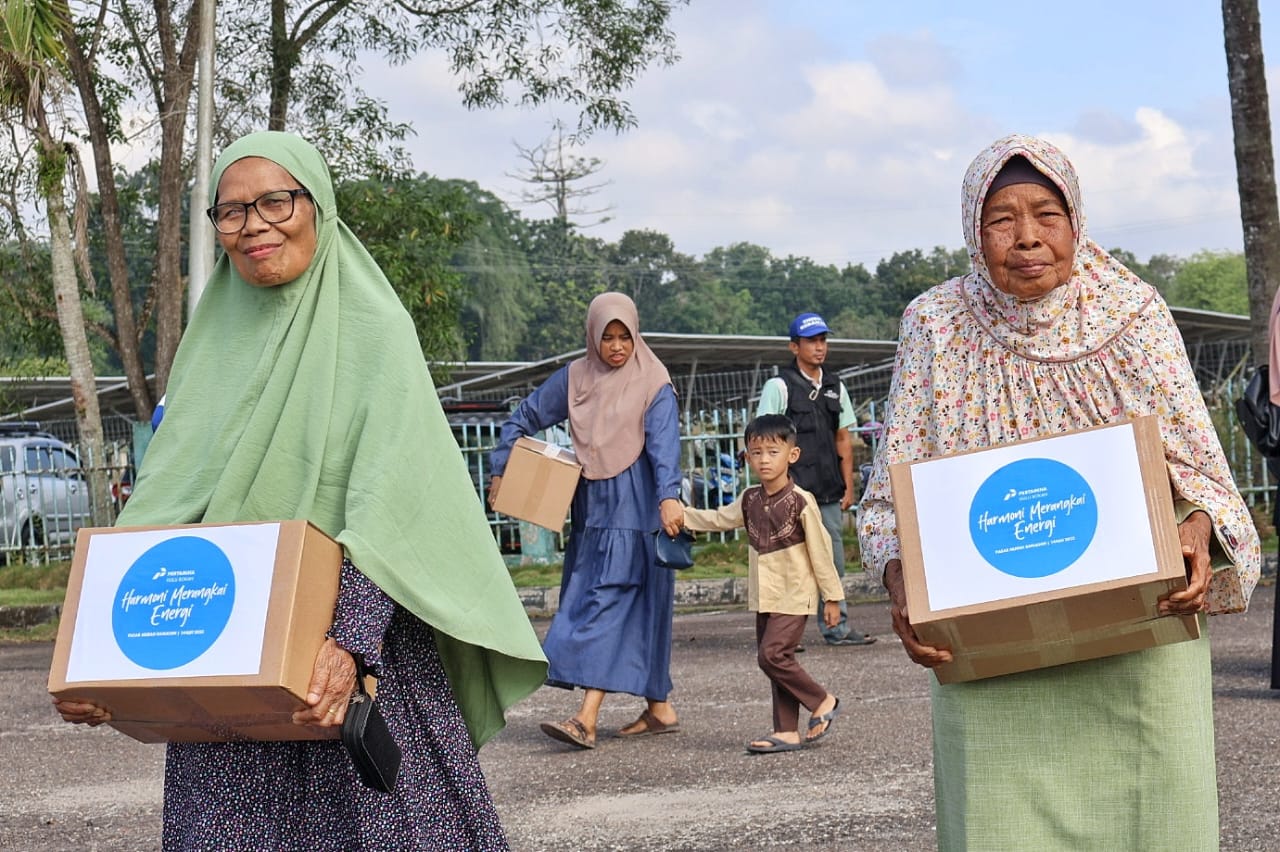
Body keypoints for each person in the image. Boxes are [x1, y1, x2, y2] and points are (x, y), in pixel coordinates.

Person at [53, 131, 547, 850]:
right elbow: (164, 511)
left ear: (318, 207)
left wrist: (349, 644)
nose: (254, 225)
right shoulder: (206, 349)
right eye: (231, 211)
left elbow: (391, 501)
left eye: (275, 202)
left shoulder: (373, 333)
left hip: (348, 657)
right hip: (228, 666)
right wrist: (101, 661)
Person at [858, 133, 1261, 850]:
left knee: (1156, 818)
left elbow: (1199, 467)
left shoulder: (1133, 313)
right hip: (991, 644)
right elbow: (895, 483)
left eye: (1046, 213)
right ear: (972, 234)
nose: (1026, 238)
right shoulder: (936, 325)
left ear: (1077, 221)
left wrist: (1197, 531)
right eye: (1001, 219)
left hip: (1136, 639)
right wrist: (899, 579)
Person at [488, 292, 684, 749]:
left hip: (637, 509)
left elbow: (663, 447)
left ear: (636, 336)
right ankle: (660, 708)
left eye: (625, 337)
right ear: (593, 338)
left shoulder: (653, 381)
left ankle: (586, 717)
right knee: (628, 604)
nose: (616, 347)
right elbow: (524, 417)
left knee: (607, 601)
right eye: (607, 338)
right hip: (591, 507)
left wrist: (670, 498)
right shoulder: (576, 377)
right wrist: (503, 466)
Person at [681, 414, 844, 753]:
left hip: (794, 593)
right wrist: (679, 514)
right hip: (764, 596)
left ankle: (823, 700)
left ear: (792, 455)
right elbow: (718, 519)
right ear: (747, 457)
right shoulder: (749, 499)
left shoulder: (802, 501)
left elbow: (821, 552)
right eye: (756, 453)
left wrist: (832, 598)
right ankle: (785, 731)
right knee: (776, 660)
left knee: (772, 656)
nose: (764, 460)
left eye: (773, 451)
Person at [757, 312, 874, 647]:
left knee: (832, 563)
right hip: (787, 495)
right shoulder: (778, 386)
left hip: (826, 492)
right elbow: (764, 441)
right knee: (787, 566)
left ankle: (837, 629)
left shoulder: (836, 386)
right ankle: (781, 638)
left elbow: (843, 438)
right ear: (794, 346)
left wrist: (848, 485)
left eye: (823, 340)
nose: (819, 347)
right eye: (811, 341)